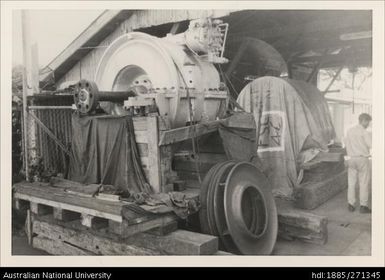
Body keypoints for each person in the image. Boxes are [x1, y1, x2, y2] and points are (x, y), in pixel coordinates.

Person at [344, 113, 372, 214]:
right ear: (363, 120)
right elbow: (371, 144)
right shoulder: (364, 132)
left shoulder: (349, 131)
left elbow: (346, 145)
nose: (368, 124)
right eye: (368, 121)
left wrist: (347, 158)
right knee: (363, 183)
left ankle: (351, 204)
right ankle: (363, 206)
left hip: (351, 159)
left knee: (351, 183)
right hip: (362, 159)